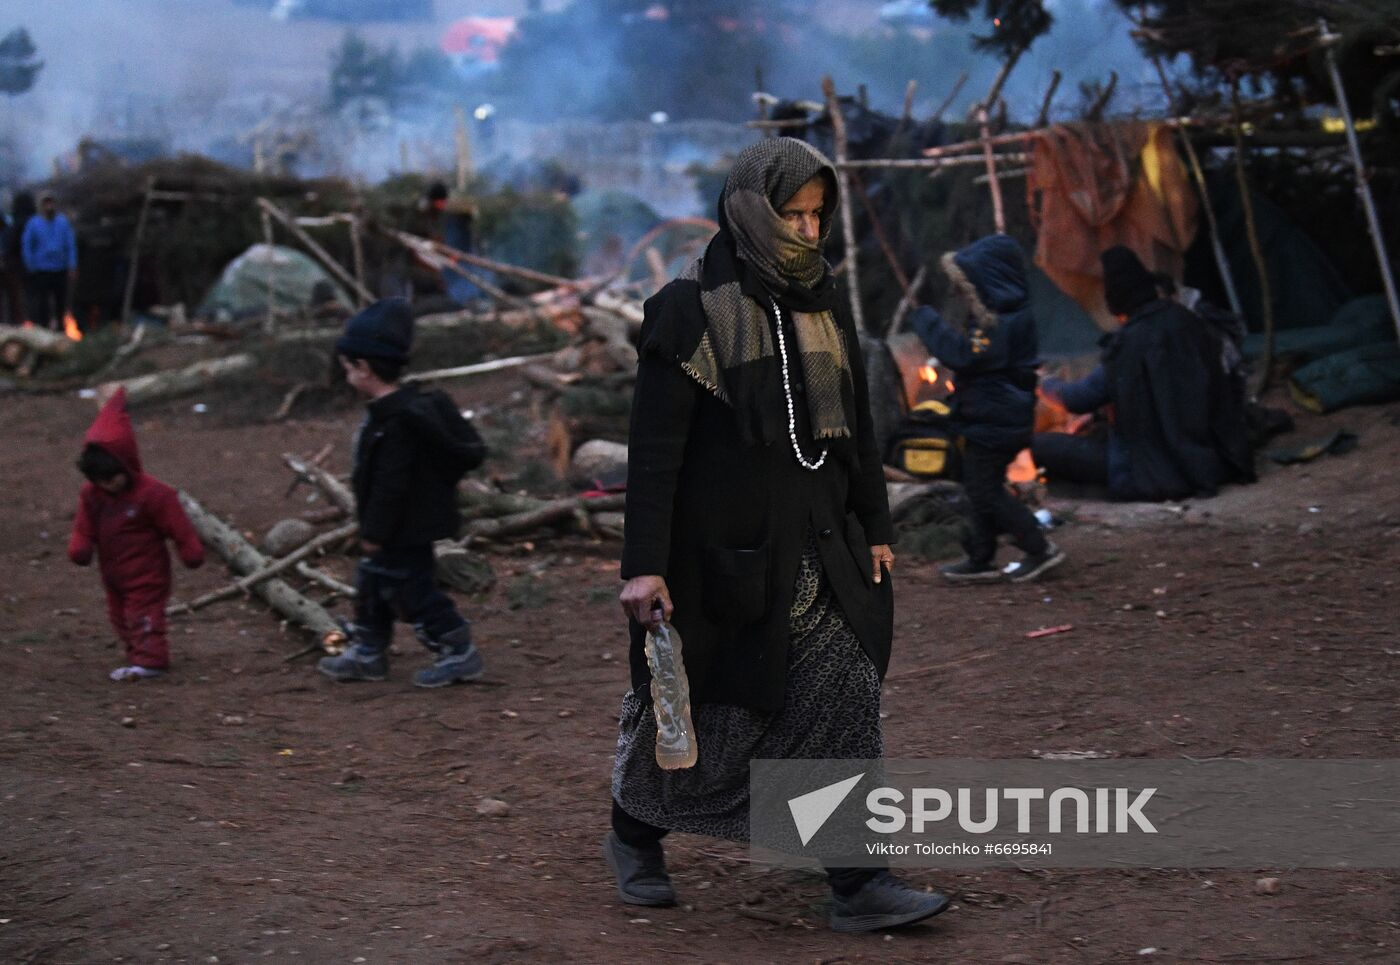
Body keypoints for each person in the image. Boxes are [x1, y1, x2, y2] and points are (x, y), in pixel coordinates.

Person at [607, 137, 948, 934]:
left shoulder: (825, 299)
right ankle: (633, 832)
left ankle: (858, 881)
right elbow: (654, 457)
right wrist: (642, 567)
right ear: (750, 211)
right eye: (790, 213)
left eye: (815, 215)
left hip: (823, 546)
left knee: (844, 692)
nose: (805, 230)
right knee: (718, 714)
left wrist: (876, 524)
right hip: (722, 561)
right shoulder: (687, 309)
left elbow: (858, 428)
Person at [316, 297, 489, 688]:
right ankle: (369, 651)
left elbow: (391, 486)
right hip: (398, 526)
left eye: (347, 369)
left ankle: (458, 648)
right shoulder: (393, 413)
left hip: (403, 528)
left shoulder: (400, 422)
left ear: (363, 368)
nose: (345, 376)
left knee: (414, 592)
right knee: (373, 586)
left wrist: (374, 533)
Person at [1033, 246, 1254, 501]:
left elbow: (1077, 398)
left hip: (1154, 470)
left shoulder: (1131, 343)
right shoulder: (1188, 321)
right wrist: (1099, 415)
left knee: (1040, 445)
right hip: (1213, 459)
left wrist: (1043, 382)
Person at [910, 235, 1064, 584]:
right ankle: (980, 556)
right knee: (979, 486)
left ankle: (1038, 548)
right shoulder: (1001, 320)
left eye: (968, 288)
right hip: (990, 420)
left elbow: (964, 355)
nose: (962, 296)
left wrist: (928, 323)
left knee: (984, 489)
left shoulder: (1004, 324)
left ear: (990, 284)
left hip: (996, 422)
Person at [68, 388, 205, 681]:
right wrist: (80, 547)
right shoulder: (93, 495)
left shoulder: (153, 495)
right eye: (100, 481)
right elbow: (84, 524)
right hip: (113, 571)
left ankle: (150, 660)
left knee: (143, 613)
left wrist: (189, 550)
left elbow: (176, 524)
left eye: (112, 478)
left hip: (147, 572)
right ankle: (136, 654)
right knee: (119, 615)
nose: (108, 486)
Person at [21, 190, 78, 332]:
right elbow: (27, 245)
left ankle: (61, 330)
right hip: (42, 270)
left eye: (51, 203)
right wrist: (31, 266)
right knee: (43, 304)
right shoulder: (33, 223)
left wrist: (72, 264)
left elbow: (70, 244)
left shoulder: (62, 222)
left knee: (61, 303)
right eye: (46, 203)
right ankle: (44, 330)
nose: (49, 206)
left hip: (60, 268)